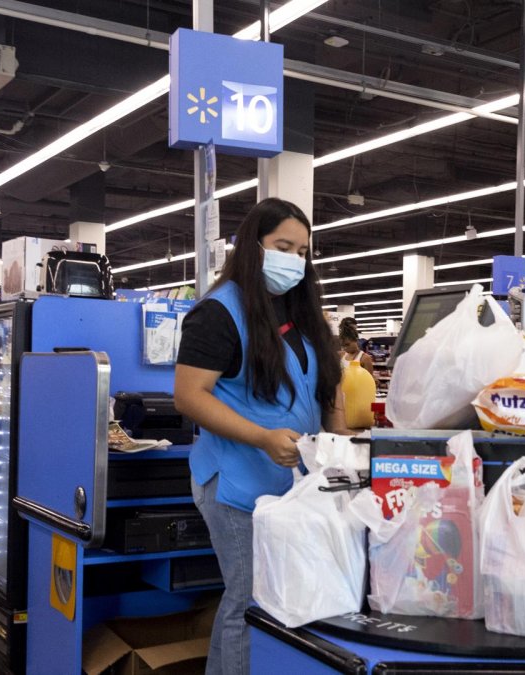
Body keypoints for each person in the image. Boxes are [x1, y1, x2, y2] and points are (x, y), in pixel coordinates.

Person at [174, 198, 346, 675]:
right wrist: (262, 437)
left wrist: (340, 434)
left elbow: (322, 383)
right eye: (282, 246)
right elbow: (190, 396)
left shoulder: (301, 313)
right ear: (254, 246)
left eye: (302, 250)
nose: (294, 259)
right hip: (235, 483)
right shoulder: (218, 313)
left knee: (270, 600)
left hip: (289, 485)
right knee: (250, 600)